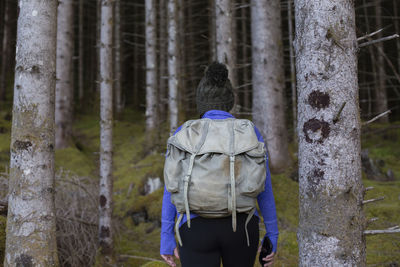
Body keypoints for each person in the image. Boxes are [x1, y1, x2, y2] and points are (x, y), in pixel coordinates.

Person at [160, 62, 278, 267]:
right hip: (242, 228)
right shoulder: (249, 132)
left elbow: (170, 187)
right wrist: (272, 233)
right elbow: (264, 188)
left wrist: (166, 237)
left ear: (201, 101)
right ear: (229, 100)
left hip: (193, 227)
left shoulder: (183, 132)